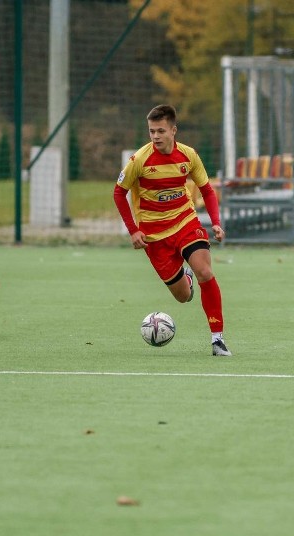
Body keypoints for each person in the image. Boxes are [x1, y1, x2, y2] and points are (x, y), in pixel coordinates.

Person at [113, 104, 232, 356]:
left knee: (205, 271)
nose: (155, 136)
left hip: (185, 222)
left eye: (160, 131)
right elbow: (118, 192)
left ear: (173, 130)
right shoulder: (139, 160)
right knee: (182, 296)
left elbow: (208, 190)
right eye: (151, 131)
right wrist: (133, 230)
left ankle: (217, 339)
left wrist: (216, 222)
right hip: (154, 236)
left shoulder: (188, 156)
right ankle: (185, 279)